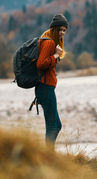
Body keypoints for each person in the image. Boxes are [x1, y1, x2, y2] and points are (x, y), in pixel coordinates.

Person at [35, 14, 68, 147]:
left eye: (64, 30)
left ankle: (48, 153)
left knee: (56, 125)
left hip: (47, 87)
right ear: (53, 29)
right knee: (53, 126)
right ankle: (48, 155)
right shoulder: (49, 42)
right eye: (60, 29)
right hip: (45, 87)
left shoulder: (51, 41)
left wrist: (55, 56)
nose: (62, 33)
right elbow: (40, 64)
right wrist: (55, 55)